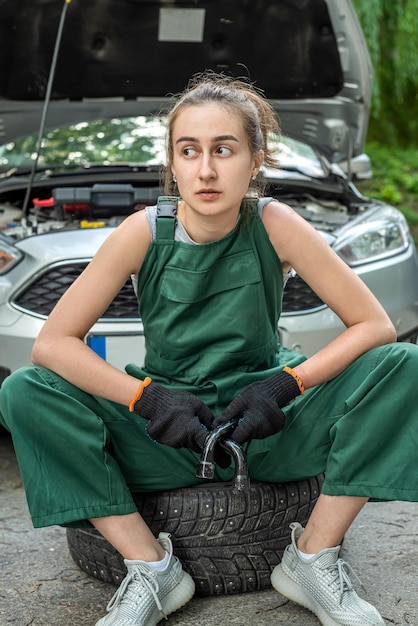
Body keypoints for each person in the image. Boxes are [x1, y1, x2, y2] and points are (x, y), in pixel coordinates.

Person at [0, 70, 417, 626]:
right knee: (24, 390)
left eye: (224, 149)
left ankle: (312, 557)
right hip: (169, 430)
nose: (206, 169)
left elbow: (374, 326)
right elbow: (53, 345)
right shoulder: (143, 231)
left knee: (403, 366)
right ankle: (151, 568)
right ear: (172, 162)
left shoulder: (276, 223)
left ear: (255, 159)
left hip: (268, 425)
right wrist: (147, 400)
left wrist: (286, 384)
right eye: (188, 150)